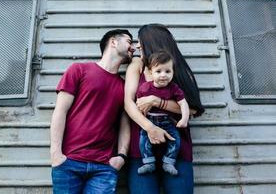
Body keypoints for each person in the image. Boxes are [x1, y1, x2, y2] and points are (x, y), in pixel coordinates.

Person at [50, 29, 135, 194]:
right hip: (69, 162)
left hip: (104, 167)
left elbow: (125, 124)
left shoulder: (125, 86)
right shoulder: (79, 70)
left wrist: (121, 157)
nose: (133, 48)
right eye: (129, 42)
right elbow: (60, 112)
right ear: (113, 42)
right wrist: (56, 154)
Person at [124, 24, 204, 194]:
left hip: (177, 148)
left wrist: (156, 101)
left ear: (152, 42)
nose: (138, 46)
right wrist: (150, 128)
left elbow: (193, 109)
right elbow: (128, 103)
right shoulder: (137, 64)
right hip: (142, 149)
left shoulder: (178, 68)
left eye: (140, 42)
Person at [137, 50, 190, 176]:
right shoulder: (145, 88)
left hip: (167, 121)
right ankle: (148, 162)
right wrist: (146, 125)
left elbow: (183, 103)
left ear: (173, 72)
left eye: (167, 71)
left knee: (175, 139)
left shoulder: (174, 88)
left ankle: (169, 162)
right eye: (158, 71)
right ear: (151, 72)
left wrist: (184, 119)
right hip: (150, 120)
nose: (163, 75)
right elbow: (139, 105)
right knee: (143, 140)